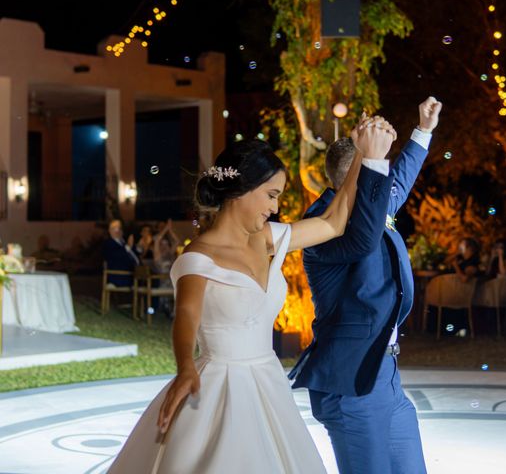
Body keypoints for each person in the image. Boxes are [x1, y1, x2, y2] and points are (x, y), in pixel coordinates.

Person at [107, 115, 397, 473]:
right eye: (271, 195)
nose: (275, 208)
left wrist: (362, 160)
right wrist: (184, 367)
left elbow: (334, 223)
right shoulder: (198, 256)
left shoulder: (268, 239)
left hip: (268, 382)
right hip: (218, 389)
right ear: (240, 190)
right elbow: (186, 317)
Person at [288, 96, 442, 474]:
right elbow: (364, 239)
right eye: (377, 169)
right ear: (355, 175)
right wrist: (371, 158)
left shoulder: (373, 205)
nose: (387, 180)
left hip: (385, 377)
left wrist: (422, 130)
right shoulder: (320, 224)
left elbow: (400, 180)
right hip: (351, 382)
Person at [103, 219, 139, 287]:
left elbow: (134, 253)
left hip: (135, 273)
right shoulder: (109, 244)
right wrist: (128, 247)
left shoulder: (124, 242)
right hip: (120, 277)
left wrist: (138, 249)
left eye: (119, 228)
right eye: (114, 228)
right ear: (109, 231)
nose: (117, 230)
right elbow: (117, 258)